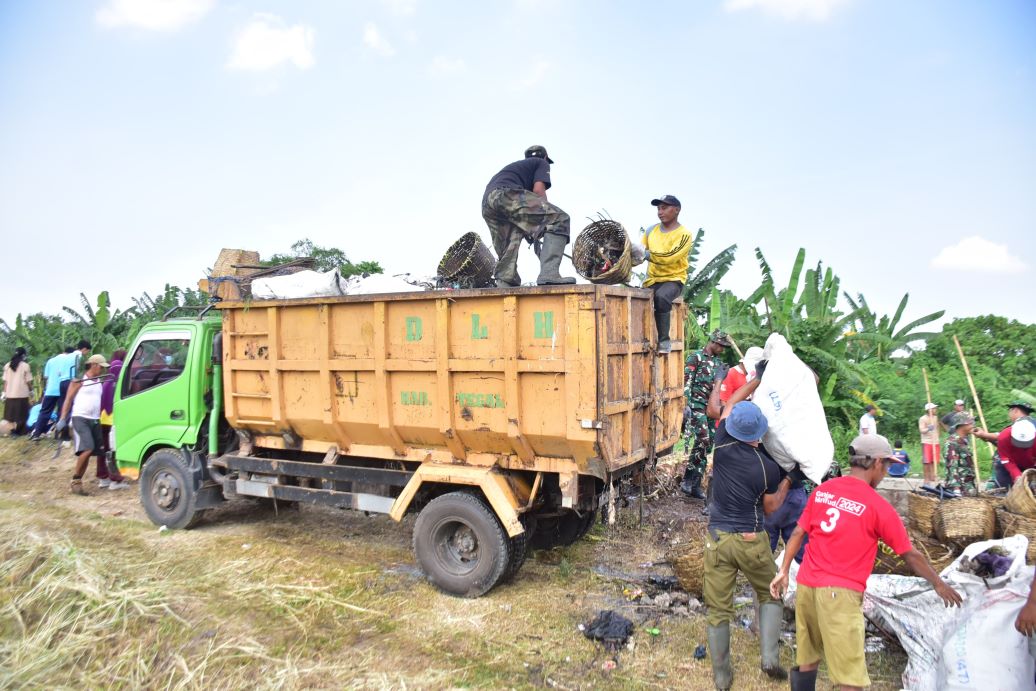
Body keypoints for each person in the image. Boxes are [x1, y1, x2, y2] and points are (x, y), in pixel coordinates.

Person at [770, 434, 962, 691]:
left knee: (808, 658)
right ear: (876, 464)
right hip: (840, 595)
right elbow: (909, 554)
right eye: (887, 466)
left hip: (806, 586)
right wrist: (938, 583)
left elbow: (797, 533)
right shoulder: (876, 506)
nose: (886, 472)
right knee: (849, 676)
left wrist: (784, 571)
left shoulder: (823, 491)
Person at [703, 384, 794, 689]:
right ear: (759, 434)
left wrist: (756, 378)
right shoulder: (767, 468)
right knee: (771, 594)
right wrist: (788, 482)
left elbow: (729, 405)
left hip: (717, 539)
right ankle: (769, 658)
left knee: (718, 610)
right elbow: (770, 509)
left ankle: (722, 676)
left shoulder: (721, 443)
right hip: (749, 540)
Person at [481, 145, 574, 287]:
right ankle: (549, 274)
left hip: (488, 202)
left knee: (511, 238)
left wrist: (532, 228)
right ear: (544, 157)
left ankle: (505, 281)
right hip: (507, 193)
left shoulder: (518, 169)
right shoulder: (541, 163)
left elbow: (522, 211)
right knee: (559, 219)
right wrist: (544, 220)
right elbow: (538, 191)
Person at [680, 329, 732, 498]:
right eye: (721, 346)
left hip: (709, 408)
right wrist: (685, 404)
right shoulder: (696, 357)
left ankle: (694, 482)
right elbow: (687, 382)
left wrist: (723, 376)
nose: (722, 349)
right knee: (703, 439)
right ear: (714, 342)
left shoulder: (717, 363)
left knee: (709, 444)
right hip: (695, 406)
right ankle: (687, 480)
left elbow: (718, 388)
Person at [640, 195, 694, 354]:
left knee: (662, 297)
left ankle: (664, 341)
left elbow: (671, 257)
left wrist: (647, 254)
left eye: (664, 208)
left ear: (676, 210)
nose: (660, 212)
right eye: (658, 209)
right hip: (652, 279)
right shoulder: (651, 230)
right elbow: (640, 253)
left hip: (673, 279)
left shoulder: (684, 234)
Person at [55, 354, 110, 495]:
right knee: (88, 448)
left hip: (95, 419)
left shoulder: (99, 381)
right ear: (94, 365)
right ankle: (75, 479)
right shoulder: (79, 381)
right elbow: (68, 399)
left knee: (91, 451)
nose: (103, 370)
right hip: (80, 417)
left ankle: (78, 482)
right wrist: (62, 419)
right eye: (101, 367)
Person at [974, 400, 1036, 488]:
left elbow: (999, 437)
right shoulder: (1008, 432)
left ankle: (999, 485)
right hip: (1014, 459)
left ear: (1015, 410)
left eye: (1010, 410)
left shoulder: (1028, 427)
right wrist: (1017, 476)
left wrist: (984, 434)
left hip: (1028, 461)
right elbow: (1006, 455)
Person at [97, 356, 129, 490]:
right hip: (114, 421)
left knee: (104, 450)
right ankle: (116, 480)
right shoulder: (119, 384)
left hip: (103, 419)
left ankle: (103, 478)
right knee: (114, 451)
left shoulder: (106, 382)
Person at [30, 347, 73, 439]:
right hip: (63, 389)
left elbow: (46, 376)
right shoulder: (69, 360)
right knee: (62, 412)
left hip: (50, 390)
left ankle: (36, 434)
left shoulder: (51, 361)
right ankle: (59, 434)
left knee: (45, 412)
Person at [943, 412, 978, 496]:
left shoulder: (963, 442)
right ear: (961, 425)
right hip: (960, 489)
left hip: (968, 486)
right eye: (970, 422)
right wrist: (956, 489)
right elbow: (952, 466)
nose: (973, 424)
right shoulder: (952, 442)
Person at [2, 347, 33, 435]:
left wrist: (4, 393)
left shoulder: (7, 365)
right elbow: (28, 381)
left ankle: (13, 431)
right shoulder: (25, 366)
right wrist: (31, 391)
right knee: (22, 414)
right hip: (22, 394)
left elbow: (5, 381)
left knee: (10, 415)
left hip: (10, 393)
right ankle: (21, 431)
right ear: (23, 355)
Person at [918, 402, 940, 484]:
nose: (935, 410)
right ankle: (926, 478)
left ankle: (933, 476)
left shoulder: (935, 418)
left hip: (935, 442)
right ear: (929, 410)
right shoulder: (923, 418)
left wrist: (938, 437)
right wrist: (928, 428)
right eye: (933, 408)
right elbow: (921, 430)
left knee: (934, 460)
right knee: (926, 461)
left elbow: (937, 428)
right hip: (927, 442)